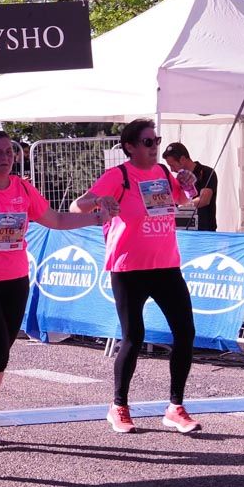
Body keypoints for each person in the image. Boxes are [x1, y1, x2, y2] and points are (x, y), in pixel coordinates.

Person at [0, 130, 114, 449]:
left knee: (1, 354)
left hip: (15, 279)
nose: (5, 158)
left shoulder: (22, 188)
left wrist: (95, 218)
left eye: (9, 152)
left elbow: (55, 220)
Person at [71, 118, 203, 435]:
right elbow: (77, 206)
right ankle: (119, 406)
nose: (154, 147)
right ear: (130, 147)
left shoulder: (162, 173)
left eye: (156, 141)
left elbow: (183, 199)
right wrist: (99, 201)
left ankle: (175, 407)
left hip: (166, 265)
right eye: (147, 142)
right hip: (129, 268)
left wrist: (188, 183)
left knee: (185, 332)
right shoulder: (118, 175)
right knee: (134, 337)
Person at [162, 142, 218, 232]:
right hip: (182, 231)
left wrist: (183, 206)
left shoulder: (206, 172)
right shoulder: (177, 179)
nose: (172, 170)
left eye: (172, 165)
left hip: (204, 231)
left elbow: (204, 199)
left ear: (182, 159)